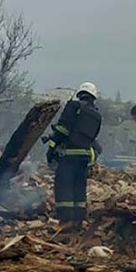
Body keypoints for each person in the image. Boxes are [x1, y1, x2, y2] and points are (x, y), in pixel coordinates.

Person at [46, 82, 102, 231]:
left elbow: (63, 129)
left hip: (69, 154)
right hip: (84, 158)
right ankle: (78, 221)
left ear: (80, 94)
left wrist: (51, 147)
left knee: (63, 185)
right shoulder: (96, 115)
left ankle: (65, 221)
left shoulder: (74, 106)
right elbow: (93, 137)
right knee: (79, 186)